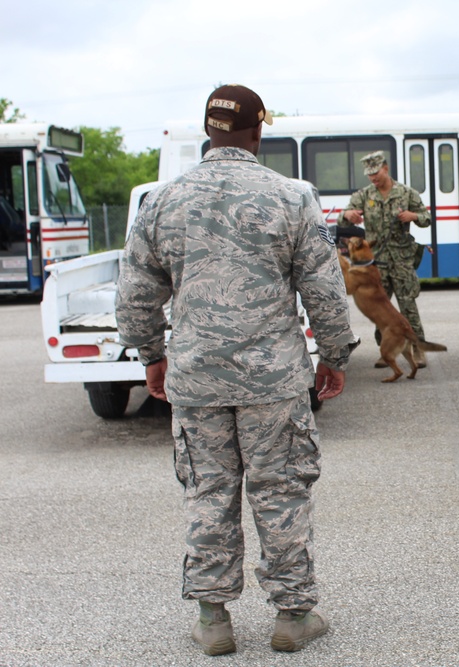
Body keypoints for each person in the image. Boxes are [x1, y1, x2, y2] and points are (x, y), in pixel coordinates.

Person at [115, 84, 359, 656]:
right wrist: (334, 356)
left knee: (207, 492)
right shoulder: (292, 197)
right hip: (273, 380)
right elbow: (324, 288)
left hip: (197, 378)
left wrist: (152, 356)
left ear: (209, 131)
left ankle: (213, 618)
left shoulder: (163, 201)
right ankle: (293, 616)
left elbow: (135, 294)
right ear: (258, 131)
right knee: (281, 490)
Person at [338, 151, 433, 367]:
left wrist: (413, 217)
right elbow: (343, 219)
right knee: (380, 309)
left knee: (408, 306)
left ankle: (418, 350)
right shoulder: (363, 195)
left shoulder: (406, 193)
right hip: (375, 263)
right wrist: (347, 216)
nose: (373, 178)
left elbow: (426, 218)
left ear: (386, 169)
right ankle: (386, 351)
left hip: (401, 260)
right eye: (369, 175)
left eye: (376, 173)